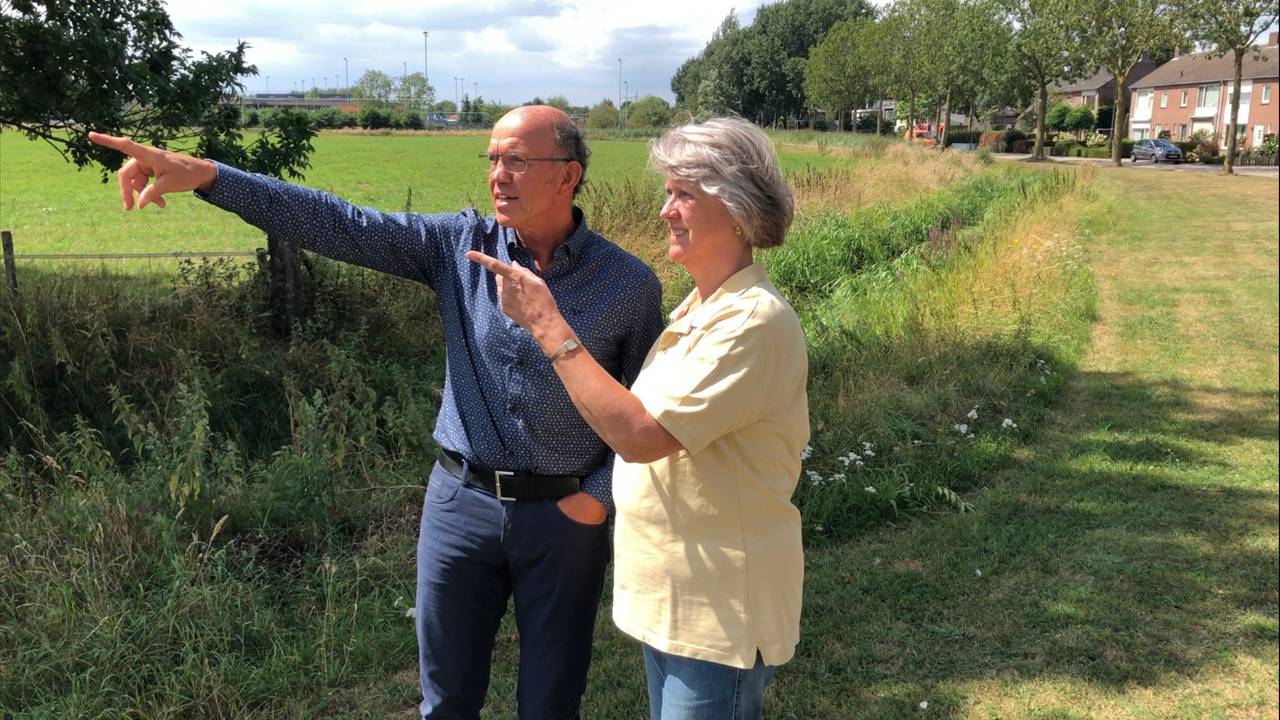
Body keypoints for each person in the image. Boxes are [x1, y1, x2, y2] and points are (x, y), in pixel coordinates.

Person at [89, 105, 665, 720]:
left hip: (563, 517)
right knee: (445, 701)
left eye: (517, 160)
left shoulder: (626, 285)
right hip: (460, 507)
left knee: (550, 702)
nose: (499, 174)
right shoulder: (458, 246)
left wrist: (597, 498)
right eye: (493, 159)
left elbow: (643, 415)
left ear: (568, 175)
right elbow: (342, 223)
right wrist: (211, 177)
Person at [467, 117, 808, 720]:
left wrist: (549, 327)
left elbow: (639, 434)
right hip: (677, 602)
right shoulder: (700, 309)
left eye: (682, 195)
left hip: (718, 611)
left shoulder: (752, 322)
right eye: (666, 193)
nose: (664, 211)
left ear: (735, 209)